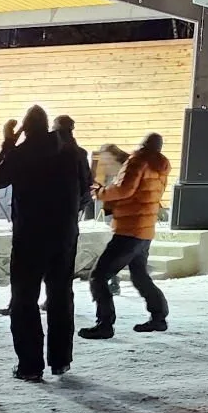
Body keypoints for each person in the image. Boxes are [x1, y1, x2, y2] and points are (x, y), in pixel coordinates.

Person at [0, 104, 88, 380]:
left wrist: (8, 141)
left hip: (30, 236)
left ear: (25, 129)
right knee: (61, 295)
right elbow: (86, 191)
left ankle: (30, 365)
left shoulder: (21, 153)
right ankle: (60, 360)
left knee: (24, 299)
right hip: (64, 235)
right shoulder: (74, 154)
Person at [82, 132, 172, 339]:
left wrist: (101, 193)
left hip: (129, 229)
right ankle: (158, 317)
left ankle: (105, 324)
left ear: (143, 144)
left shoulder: (138, 161)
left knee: (98, 276)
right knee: (140, 275)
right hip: (145, 229)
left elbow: (124, 189)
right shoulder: (160, 166)